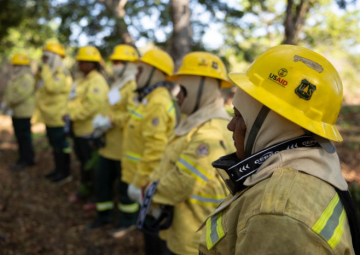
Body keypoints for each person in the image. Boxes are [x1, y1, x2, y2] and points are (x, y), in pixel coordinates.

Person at [198, 45, 360, 254]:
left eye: (239, 115)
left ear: (270, 124)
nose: (230, 125)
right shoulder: (314, 168)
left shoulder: (276, 214)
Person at [146, 52, 236, 255]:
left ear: (199, 90)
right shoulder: (197, 122)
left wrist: (150, 193)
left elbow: (184, 180)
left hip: (193, 238)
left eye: (183, 90)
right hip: (184, 227)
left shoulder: (210, 131)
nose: (177, 96)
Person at [122, 48, 177, 249]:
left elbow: (155, 150)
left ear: (154, 72)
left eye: (140, 70)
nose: (136, 74)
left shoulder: (157, 103)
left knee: (154, 236)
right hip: (143, 177)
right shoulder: (149, 98)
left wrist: (141, 183)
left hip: (147, 180)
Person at [87, 45, 139, 229]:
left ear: (129, 65)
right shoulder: (117, 83)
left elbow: (134, 114)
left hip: (124, 148)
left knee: (125, 189)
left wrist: (110, 120)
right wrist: (100, 122)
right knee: (102, 182)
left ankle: (127, 222)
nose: (115, 65)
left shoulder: (133, 84)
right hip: (107, 145)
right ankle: (103, 217)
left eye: (119, 62)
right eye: (114, 62)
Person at [66, 46, 109, 209]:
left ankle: (95, 196)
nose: (79, 65)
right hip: (79, 130)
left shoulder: (96, 80)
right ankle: (84, 190)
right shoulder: (82, 80)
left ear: (91, 64)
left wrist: (72, 116)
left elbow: (92, 105)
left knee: (93, 167)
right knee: (84, 164)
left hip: (90, 132)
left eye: (82, 62)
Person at [34, 43, 72, 183]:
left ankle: (65, 172)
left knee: (61, 145)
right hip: (48, 116)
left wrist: (44, 71)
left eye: (46, 57)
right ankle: (58, 169)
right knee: (54, 145)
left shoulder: (61, 73)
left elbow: (51, 88)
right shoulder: (48, 72)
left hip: (58, 117)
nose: (43, 60)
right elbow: (37, 87)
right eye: (43, 57)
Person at [3, 53, 35, 170]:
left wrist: (8, 102)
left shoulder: (26, 77)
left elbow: (21, 94)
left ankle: (27, 159)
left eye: (18, 65)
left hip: (24, 113)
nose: (15, 67)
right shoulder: (16, 77)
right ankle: (23, 158)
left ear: (23, 66)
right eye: (14, 65)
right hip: (16, 112)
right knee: (20, 137)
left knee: (24, 137)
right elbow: (10, 92)